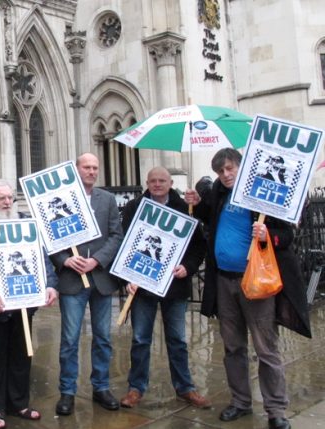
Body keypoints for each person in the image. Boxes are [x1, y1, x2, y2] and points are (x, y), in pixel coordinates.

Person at [185, 148, 311, 429]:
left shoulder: (261, 195)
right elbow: (209, 218)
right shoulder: (219, 191)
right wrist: (195, 202)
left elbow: (287, 235)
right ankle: (240, 402)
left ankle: (276, 410)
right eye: (220, 171)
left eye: (230, 169)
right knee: (233, 348)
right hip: (224, 280)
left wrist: (269, 236)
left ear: (242, 166)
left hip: (254, 282)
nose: (225, 175)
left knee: (266, 349)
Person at [0, 179, 59, 429]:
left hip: (23, 306)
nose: (7, 202)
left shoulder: (26, 224)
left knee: (21, 354)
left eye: (10, 198)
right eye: (2, 198)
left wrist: (49, 284)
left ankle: (18, 402)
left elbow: (42, 257)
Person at [118, 166, 210, 409]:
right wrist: (127, 277)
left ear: (170, 183)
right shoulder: (133, 208)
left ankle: (185, 387)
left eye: (162, 180)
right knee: (140, 340)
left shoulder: (184, 208)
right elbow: (124, 244)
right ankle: (136, 388)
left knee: (178, 339)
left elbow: (198, 247)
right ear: (147, 183)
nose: (157, 184)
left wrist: (187, 268)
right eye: (153, 181)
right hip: (142, 285)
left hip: (174, 286)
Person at [52, 153, 123, 415]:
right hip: (72, 280)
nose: (92, 171)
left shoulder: (107, 199)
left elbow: (116, 235)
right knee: (70, 340)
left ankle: (101, 387)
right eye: (87, 167)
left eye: (95, 167)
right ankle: (67, 391)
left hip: (101, 279)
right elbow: (49, 237)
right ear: (76, 169)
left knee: (103, 337)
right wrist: (65, 260)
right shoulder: (62, 198)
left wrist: (98, 261)